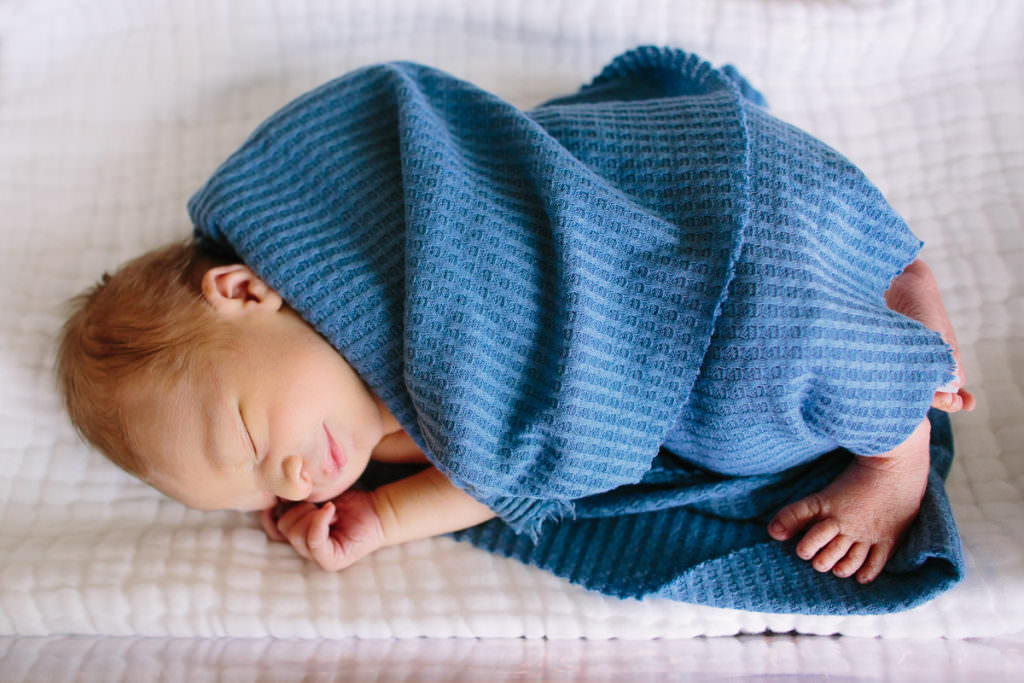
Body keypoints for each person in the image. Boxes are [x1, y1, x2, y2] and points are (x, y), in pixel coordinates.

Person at [57, 237, 973, 585]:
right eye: (256, 488)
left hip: (675, 279)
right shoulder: (376, 435)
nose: (291, 474)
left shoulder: (394, 287)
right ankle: (897, 297)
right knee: (757, 413)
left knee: (774, 351)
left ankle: (893, 448)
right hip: (655, 378)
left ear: (246, 291)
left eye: (253, 437)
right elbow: (506, 474)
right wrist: (379, 517)